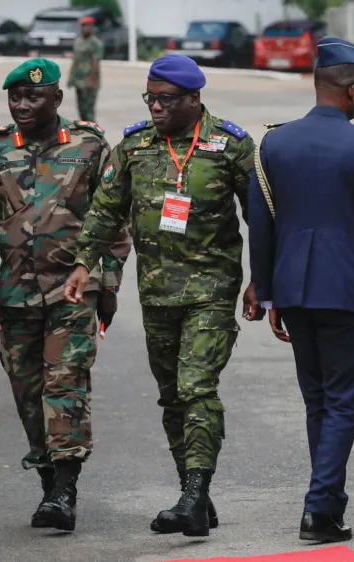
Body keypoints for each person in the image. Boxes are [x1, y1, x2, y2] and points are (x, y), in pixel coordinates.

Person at [64, 53, 261, 537]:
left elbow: (265, 218)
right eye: (150, 97)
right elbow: (106, 211)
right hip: (156, 294)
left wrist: (265, 279)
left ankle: (193, 495)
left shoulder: (230, 146)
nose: (156, 107)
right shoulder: (134, 147)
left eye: (166, 99)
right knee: (172, 397)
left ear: (195, 99)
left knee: (197, 388)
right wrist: (84, 263)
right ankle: (195, 493)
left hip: (211, 293)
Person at [0, 58, 130, 532]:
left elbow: (115, 218)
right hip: (13, 296)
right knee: (27, 393)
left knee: (66, 385)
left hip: (73, 293)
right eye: (15, 97)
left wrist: (109, 284)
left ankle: (64, 491)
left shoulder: (90, 145)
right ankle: (49, 483)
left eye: (33, 97)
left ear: (57, 98)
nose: (22, 105)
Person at [247, 37, 354, 543]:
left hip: (292, 291)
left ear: (319, 86)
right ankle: (318, 511)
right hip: (344, 291)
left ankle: (328, 503)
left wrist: (266, 292)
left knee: (317, 400)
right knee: (340, 401)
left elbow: (261, 224)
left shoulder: (274, 142)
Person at [68, 16, 104, 122]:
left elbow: (96, 63)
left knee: (89, 111)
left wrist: (92, 81)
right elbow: (75, 61)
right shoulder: (78, 41)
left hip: (89, 81)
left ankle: (94, 133)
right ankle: (85, 130)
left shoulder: (96, 43)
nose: (86, 28)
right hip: (79, 81)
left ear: (92, 27)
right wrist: (71, 78)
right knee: (81, 108)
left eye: (88, 26)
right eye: (83, 26)